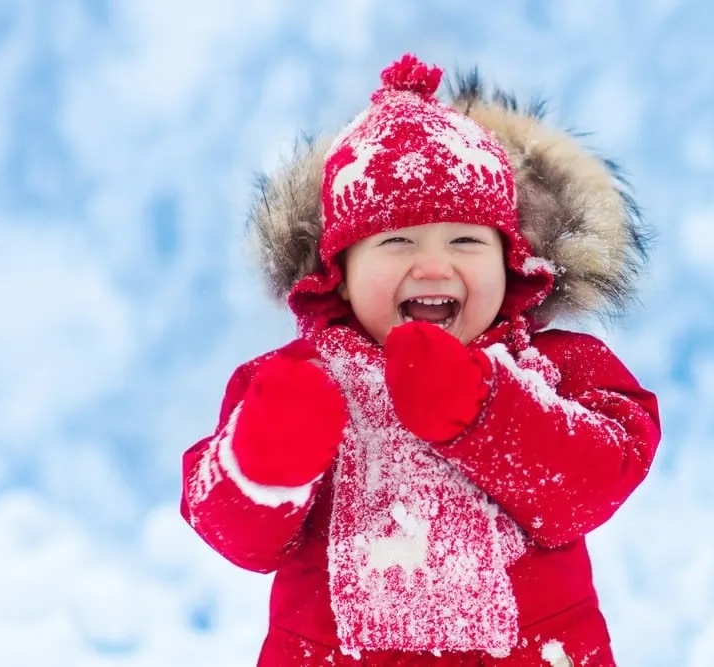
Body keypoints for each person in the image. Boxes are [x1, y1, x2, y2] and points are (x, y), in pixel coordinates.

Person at [181, 53, 661, 667]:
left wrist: (482, 407)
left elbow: (588, 489)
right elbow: (236, 536)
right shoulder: (297, 383)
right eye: (396, 241)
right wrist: (263, 464)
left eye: (466, 241)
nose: (433, 266)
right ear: (340, 275)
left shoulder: (555, 370)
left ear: (509, 261)